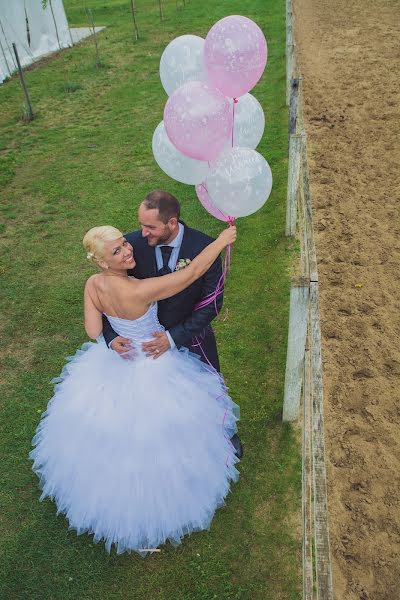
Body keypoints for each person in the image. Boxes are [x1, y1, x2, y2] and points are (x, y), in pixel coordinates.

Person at [30, 224, 240, 556]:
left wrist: (113, 339)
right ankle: (159, 503)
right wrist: (221, 241)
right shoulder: (140, 290)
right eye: (117, 251)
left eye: (125, 244)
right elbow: (194, 272)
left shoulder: (92, 285)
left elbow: (92, 329)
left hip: (115, 363)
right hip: (153, 362)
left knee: (107, 436)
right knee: (160, 438)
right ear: (101, 261)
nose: (128, 251)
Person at [102, 191, 243, 459]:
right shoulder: (130, 247)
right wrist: (110, 336)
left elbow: (211, 304)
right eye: (141, 225)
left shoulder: (204, 247)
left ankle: (220, 432)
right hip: (141, 346)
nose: (142, 234)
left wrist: (173, 337)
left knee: (207, 391)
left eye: (150, 227)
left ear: (172, 223)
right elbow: (106, 291)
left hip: (191, 337)